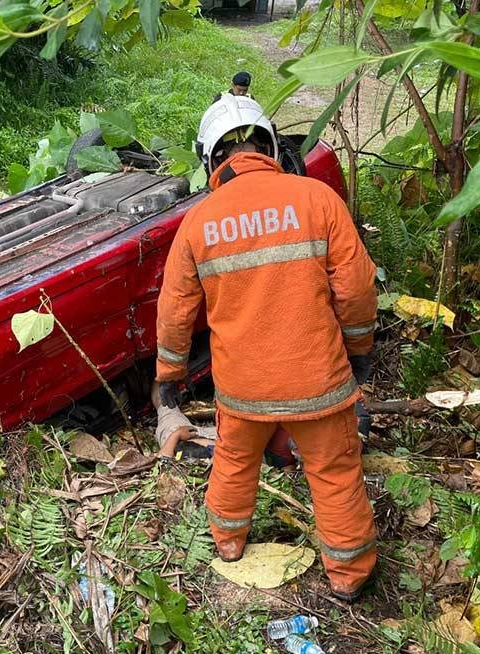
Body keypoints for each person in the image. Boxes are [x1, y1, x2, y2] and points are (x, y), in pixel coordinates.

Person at [155, 94, 378, 602]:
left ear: (210, 159)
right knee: (335, 471)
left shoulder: (198, 223)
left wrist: (169, 378)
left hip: (241, 391)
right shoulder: (316, 199)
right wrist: (359, 348)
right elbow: (358, 288)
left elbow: (174, 313)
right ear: (271, 145)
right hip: (317, 382)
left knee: (235, 460)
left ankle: (227, 543)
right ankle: (350, 576)